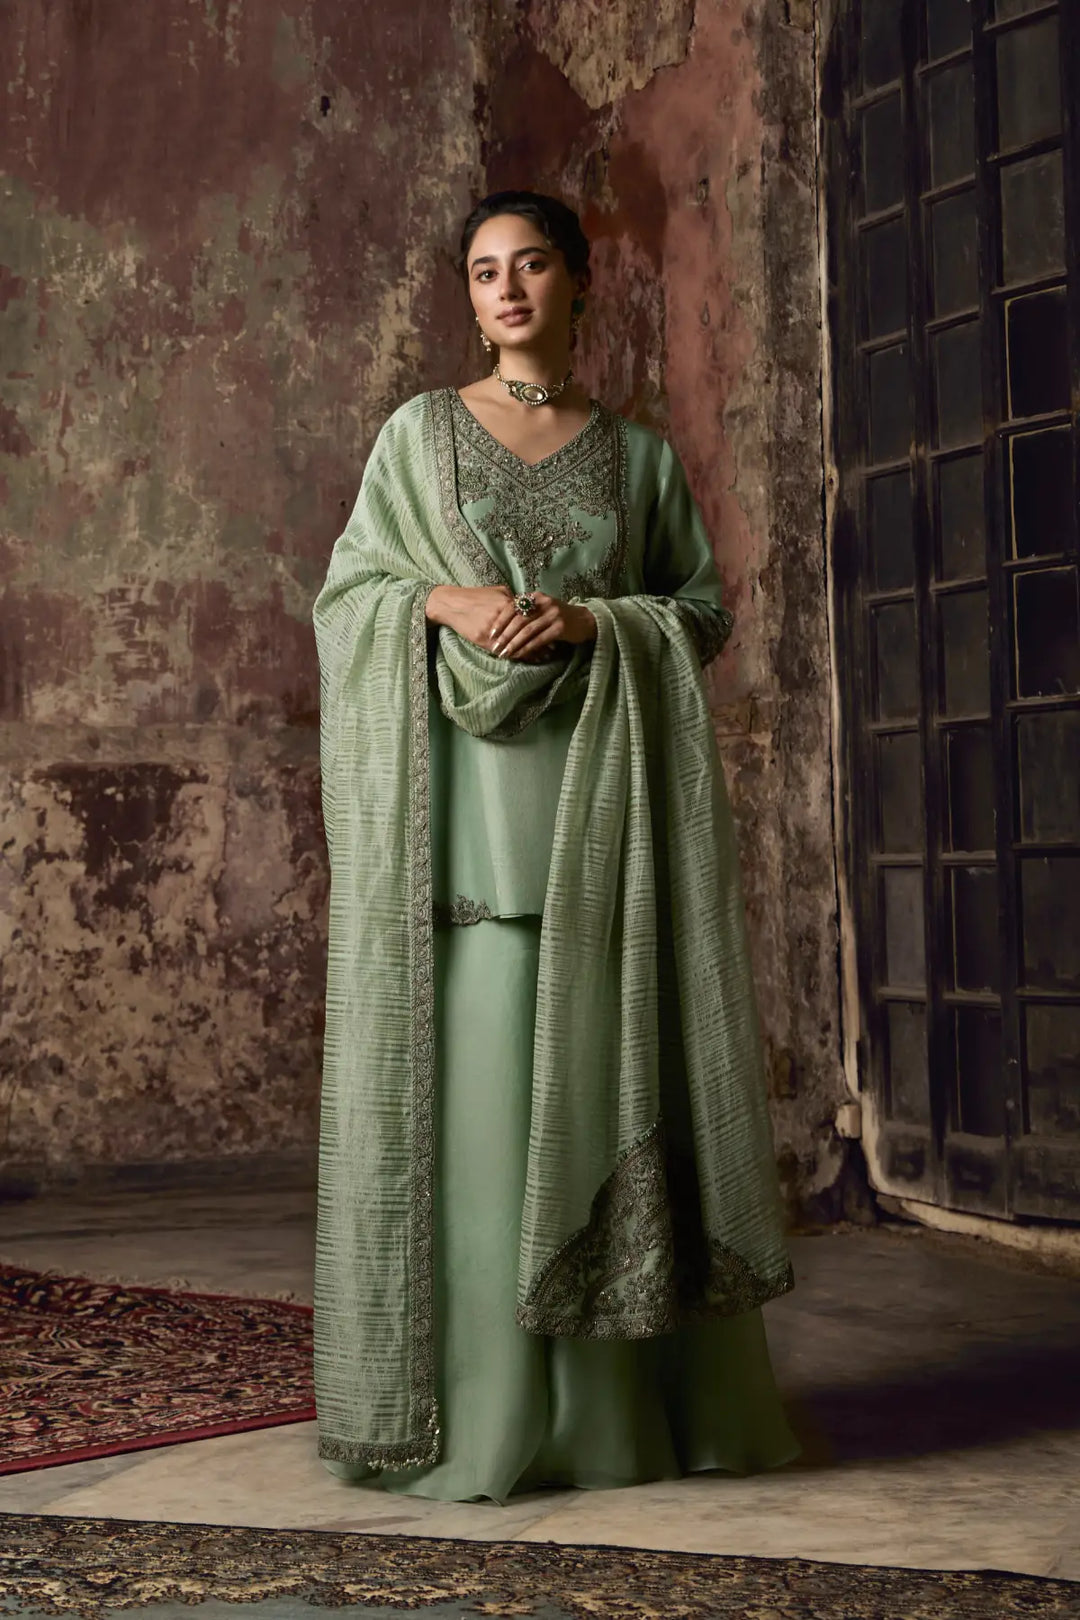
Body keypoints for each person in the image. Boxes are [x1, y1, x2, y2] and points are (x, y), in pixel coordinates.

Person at [311, 189, 799, 1503]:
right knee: (478, 1141)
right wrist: (442, 600)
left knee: (602, 1103)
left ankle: (615, 1426)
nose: (509, 289)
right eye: (485, 273)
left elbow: (696, 613)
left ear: (580, 283)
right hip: (462, 840)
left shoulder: (638, 460)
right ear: (469, 299)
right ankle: (484, 1424)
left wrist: (592, 626)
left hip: (601, 833)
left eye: (532, 266)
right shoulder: (415, 437)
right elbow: (349, 596)